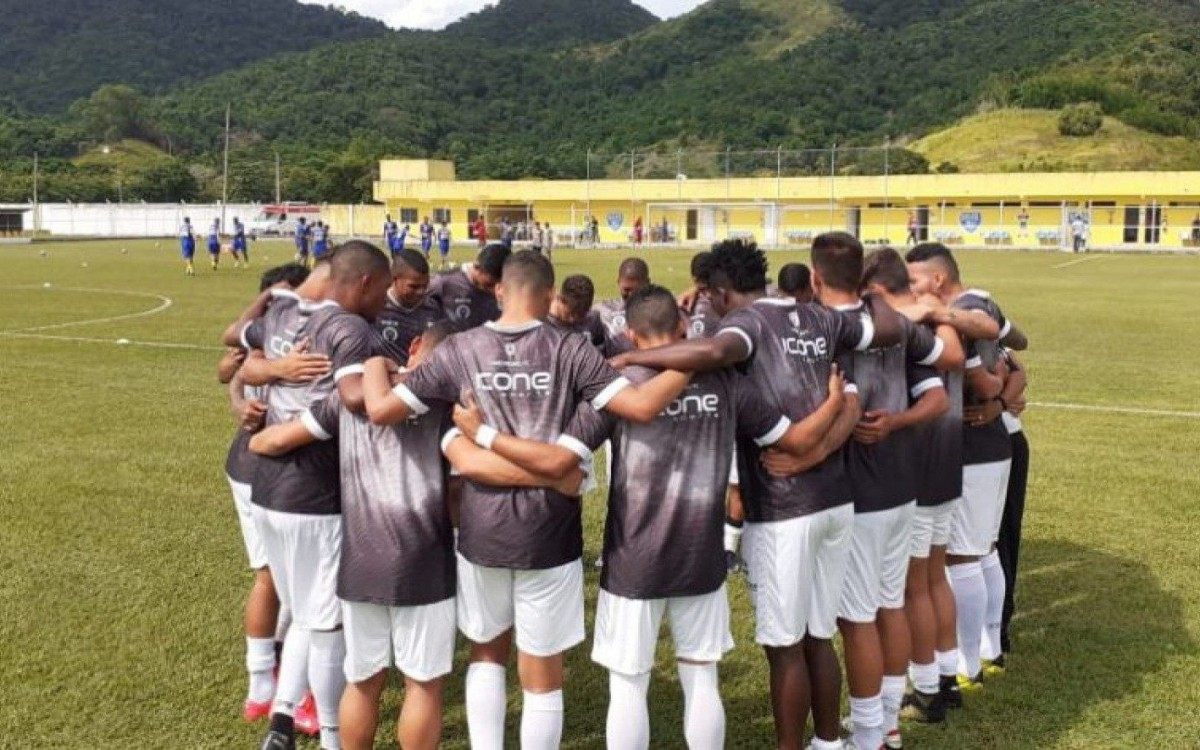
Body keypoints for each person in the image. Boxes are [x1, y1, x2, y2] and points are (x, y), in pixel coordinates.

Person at [459, 284, 847, 750]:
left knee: (628, 682)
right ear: (683, 329)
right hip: (701, 555)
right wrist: (835, 401)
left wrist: (480, 435)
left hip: (633, 559)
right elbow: (797, 442)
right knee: (701, 677)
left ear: (627, 333)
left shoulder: (617, 388)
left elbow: (561, 459)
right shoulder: (727, 382)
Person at [361, 250, 694, 750]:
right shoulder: (573, 351)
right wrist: (701, 357)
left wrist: (370, 361)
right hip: (549, 533)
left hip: (481, 530)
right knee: (542, 676)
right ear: (549, 294)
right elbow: (643, 405)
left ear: (499, 291)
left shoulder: (460, 350)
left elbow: (382, 410)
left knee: (487, 657)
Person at [609, 237, 903, 750]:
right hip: (836, 499)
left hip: (783, 507)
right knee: (818, 634)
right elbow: (888, 333)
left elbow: (714, 351)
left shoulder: (745, 326)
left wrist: (631, 355)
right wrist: (873, 294)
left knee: (784, 646)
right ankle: (829, 742)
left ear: (722, 293)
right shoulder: (819, 317)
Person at [248, 321, 460, 750]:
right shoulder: (449, 407)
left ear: (415, 347)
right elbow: (458, 497)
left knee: (362, 680)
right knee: (423, 683)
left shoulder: (350, 399)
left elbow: (275, 441)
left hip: (360, 560)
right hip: (424, 561)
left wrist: (255, 435)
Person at [228, 242, 393, 750]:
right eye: (383, 290)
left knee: (301, 611)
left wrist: (268, 383)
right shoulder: (348, 329)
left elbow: (236, 343)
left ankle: (280, 721)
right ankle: (331, 736)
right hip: (316, 492)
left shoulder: (281, 312)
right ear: (364, 282)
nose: (385, 302)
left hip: (268, 486)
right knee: (326, 624)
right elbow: (353, 398)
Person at [825, 243, 963, 750]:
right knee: (891, 604)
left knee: (859, 617)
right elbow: (939, 394)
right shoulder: (902, 335)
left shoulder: (842, 333)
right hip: (905, 490)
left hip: (864, 494)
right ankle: (889, 723)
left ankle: (870, 732)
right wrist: (900, 421)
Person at [906, 242, 1028, 693]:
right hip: (993, 446)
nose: (910, 288)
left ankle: (969, 661)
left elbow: (984, 376)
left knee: (961, 557)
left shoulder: (961, 311)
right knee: (984, 550)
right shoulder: (978, 302)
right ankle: (990, 648)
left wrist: (997, 392)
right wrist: (1009, 386)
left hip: (976, 449)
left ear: (938, 280)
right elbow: (1017, 350)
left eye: (914, 279)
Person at [218, 263, 315, 726]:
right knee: (293, 585)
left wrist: (240, 401)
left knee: (276, 581)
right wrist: (241, 406)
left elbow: (231, 371)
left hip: (259, 466)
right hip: (270, 471)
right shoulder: (287, 340)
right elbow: (232, 368)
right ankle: (292, 694)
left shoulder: (268, 339)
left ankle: (267, 682)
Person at [965, 349, 1029, 670]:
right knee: (989, 547)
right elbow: (1019, 368)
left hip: (988, 447)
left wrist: (1001, 401)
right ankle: (991, 640)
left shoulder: (967, 323)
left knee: (977, 550)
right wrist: (1005, 398)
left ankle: (989, 639)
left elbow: (1018, 367)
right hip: (997, 444)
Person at [374, 248, 447, 367]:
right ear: (394, 279)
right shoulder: (376, 308)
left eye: (425, 285)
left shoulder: (434, 309)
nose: (421, 292)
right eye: (414, 286)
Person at [426, 242, 509, 332]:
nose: (495, 291)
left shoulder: (510, 286)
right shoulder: (444, 282)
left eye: (500, 285)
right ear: (477, 267)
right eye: (489, 285)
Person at [592, 257, 651, 356]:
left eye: (637, 290)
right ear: (619, 282)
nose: (631, 295)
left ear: (647, 283)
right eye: (626, 289)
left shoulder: (661, 310)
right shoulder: (602, 311)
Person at [547, 274, 606, 349]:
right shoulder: (542, 322)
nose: (574, 319)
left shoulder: (593, 320)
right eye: (571, 313)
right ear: (561, 299)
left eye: (581, 314)